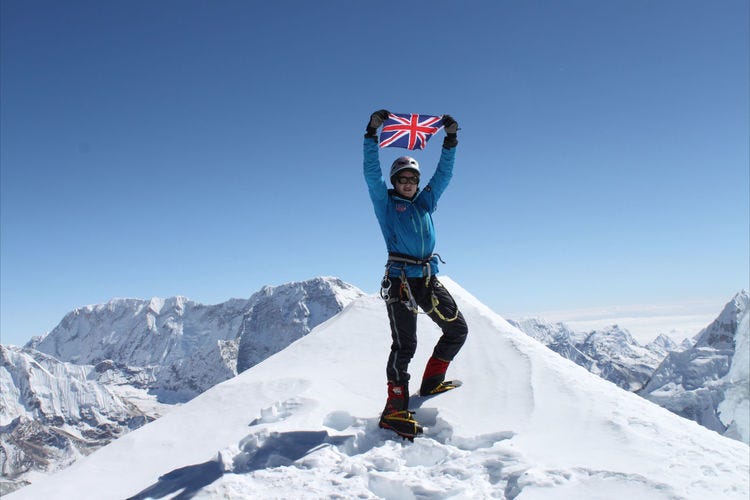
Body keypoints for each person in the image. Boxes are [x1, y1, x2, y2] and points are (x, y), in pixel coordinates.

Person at [362, 109, 469, 439]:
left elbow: (443, 175)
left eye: (412, 179)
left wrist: (450, 140)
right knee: (404, 346)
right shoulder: (386, 203)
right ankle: (394, 410)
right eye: (402, 179)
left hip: (427, 279)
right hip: (400, 283)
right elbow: (370, 173)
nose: (408, 184)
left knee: (457, 330)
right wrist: (371, 134)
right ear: (394, 183)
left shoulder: (425, 202)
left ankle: (432, 382)